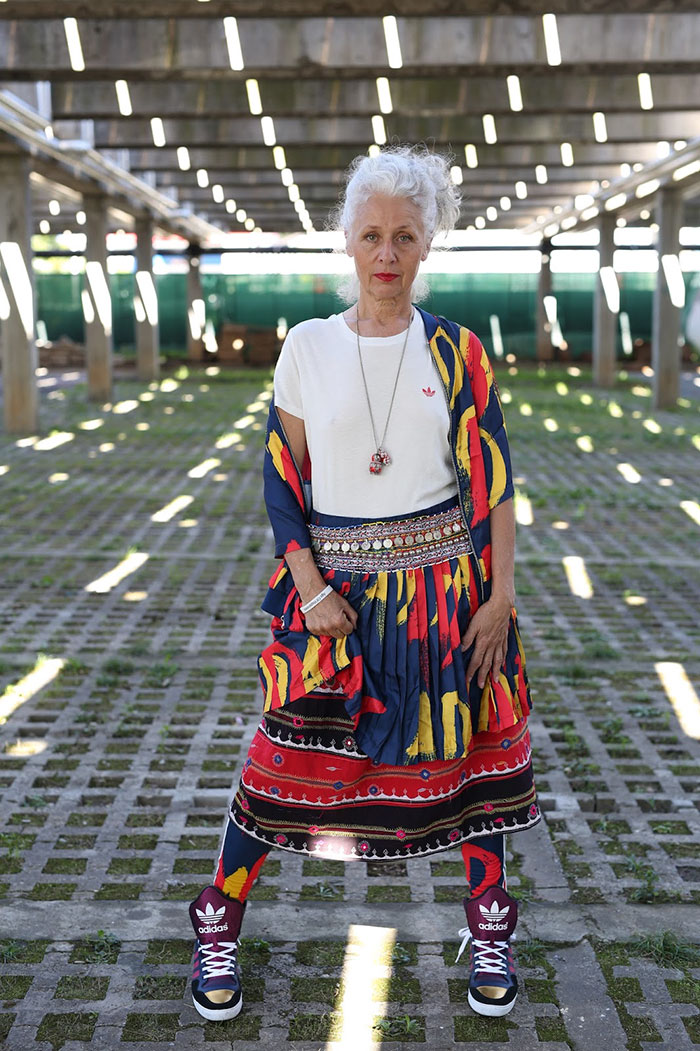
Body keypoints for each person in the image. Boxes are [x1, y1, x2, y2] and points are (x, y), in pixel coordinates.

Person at [188, 144, 540, 1023]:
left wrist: (499, 597)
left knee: (473, 758)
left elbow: (494, 483)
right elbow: (281, 478)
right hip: (332, 600)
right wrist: (309, 587)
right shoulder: (307, 346)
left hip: (448, 594)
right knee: (281, 760)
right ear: (347, 240)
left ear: (427, 246)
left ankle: (488, 922)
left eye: (405, 236)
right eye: (373, 234)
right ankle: (218, 914)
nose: (388, 253)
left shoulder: (459, 352)